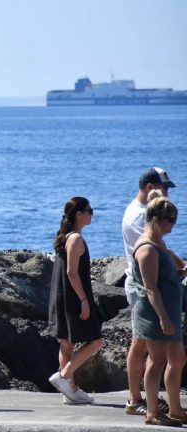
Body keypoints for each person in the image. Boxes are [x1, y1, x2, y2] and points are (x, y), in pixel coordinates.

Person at [121, 166, 178, 416]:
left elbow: (161, 246)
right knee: (143, 346)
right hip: (141, 287)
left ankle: (143, 397)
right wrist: (179, 265)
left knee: (144, 346)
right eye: (164, 189)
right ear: (150, 188)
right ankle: (136, 398)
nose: (167, 194)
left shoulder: (140, 211)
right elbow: (156, 247)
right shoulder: (139, 216)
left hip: (142, 284)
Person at [131, 190, 187, 426]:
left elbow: (174, 271)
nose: (173, 225)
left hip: (169, 311)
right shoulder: (147, 249)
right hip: (156, 314)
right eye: (170, 220)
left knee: (178, 358)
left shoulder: (159, 244)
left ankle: (175, 409)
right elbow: (151, 288)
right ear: (158, 219)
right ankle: (152, 412)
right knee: (156, 361)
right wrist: (164, 318)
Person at [47, 197, 103, 405]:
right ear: (78, 214)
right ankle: (64, 376)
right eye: (89, 210)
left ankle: (69, 391)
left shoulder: (65, 236)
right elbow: (72, 272)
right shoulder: (76, 239)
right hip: (73, 298)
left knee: (66, 344)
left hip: (60, 295)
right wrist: (84, 300)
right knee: (96, 341)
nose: (92, 214)